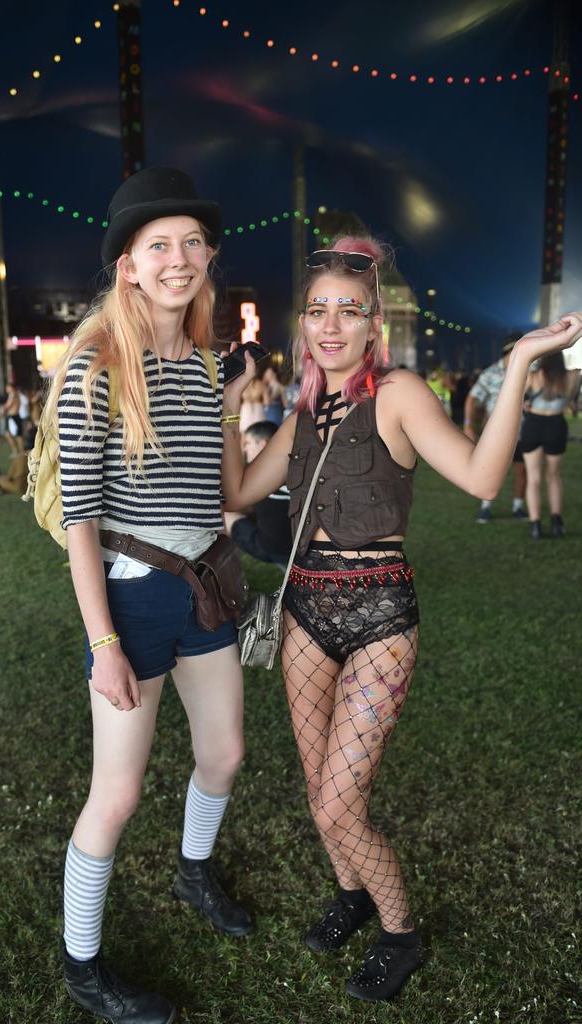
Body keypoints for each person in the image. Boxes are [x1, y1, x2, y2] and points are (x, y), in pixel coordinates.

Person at [220, 237, 581, 1003]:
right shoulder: (308, 406)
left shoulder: (402, 393)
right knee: (318, 784)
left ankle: (398, 932)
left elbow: (484, 475)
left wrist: (517, 365)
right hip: (304, 611)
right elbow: (240, 495)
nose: (330, 324)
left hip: (380, 611)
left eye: (348, 311)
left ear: (373, 321)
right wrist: (229, 406)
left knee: (338, 802)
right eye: (316, 309)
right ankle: (350, 894)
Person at [46, 167, 251, 1024]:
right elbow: (81, 526)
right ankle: (81, 965)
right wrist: (102, 645)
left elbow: (229, 497)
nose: (180, 258)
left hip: (206, 592)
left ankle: (192, 869)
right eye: (159, 245)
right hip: (131, 605)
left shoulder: (207, 369)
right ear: (128, 264)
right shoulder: (94, 369)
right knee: (118, 794)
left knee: (225, 755)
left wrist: (237, 406)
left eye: (192, 243)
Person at [464, 334, 528, 523]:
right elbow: (472, 398)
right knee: (491, 471)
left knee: (521, 470)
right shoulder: (490, 373)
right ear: (511, 351)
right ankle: (485, 508)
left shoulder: (529, 370)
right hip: (495, 435)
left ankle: (518, 507)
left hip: (523, 431)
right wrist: (468, 424)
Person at [520, 352, 580, 539]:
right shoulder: (572, 377)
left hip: (533, 425)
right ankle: (556, 523)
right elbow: (572, 404)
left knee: (533, 478)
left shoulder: (534, 375)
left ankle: (535, 524)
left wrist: (526, 405)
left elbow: (520, 400)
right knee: (554, 476)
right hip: (556, 425)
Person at [224, 421, 290, 567]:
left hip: (274, 551)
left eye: (248, 443)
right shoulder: (292, 468)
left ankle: (227, 570)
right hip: (299, 549)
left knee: (225, 514)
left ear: (263, 445)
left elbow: (230, 502)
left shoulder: (258, 477)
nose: (244, 449)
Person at [0, 384, 23, 455]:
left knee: (18, 435)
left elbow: (8, 405)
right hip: (13, 416)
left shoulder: (13, 394)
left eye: (7, 387)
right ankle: (17, 450)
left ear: (11, 387)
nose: (6, 389)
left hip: (14, 416)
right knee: (12, 434)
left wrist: (1, 413)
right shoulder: (14, 394)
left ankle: (19, 451)